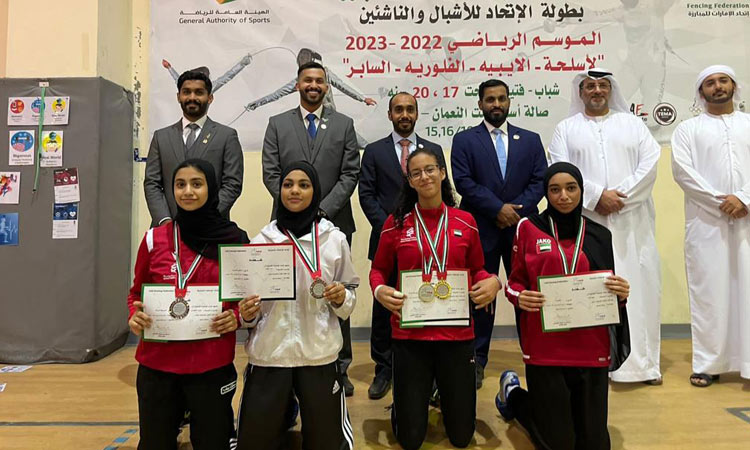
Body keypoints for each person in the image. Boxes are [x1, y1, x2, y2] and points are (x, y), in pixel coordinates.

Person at [369, 146, 501, 449]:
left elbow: (478, 269)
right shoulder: (396, 224)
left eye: (430, 169)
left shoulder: (465, 221)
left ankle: (439, 398)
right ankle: (407, 404)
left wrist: (493, 282)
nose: (424, 176)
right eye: (416, 173)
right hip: (410, 337)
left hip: (457, 336)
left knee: (461, 438)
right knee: (410, 440)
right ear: (410, 182)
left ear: (442, 173)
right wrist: (379, 290)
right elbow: (378, 270)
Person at [495, 162, 631, 450]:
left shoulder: (598, 234)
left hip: (590, 347)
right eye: (555, 190)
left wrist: (620, 293)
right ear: (546, 193)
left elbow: (607, 290)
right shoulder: (529, 228)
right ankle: (514, 395)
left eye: (571, 188)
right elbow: (513, 282)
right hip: (546, 348)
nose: (564, 196)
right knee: (559, 444)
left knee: (594, 445)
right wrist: (520, 297)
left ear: (581, 191)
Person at [548, 68, 662, 385]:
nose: (596, 91)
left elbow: (650, 163)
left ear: (610, 90)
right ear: (580, 92)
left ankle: (643, 365)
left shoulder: (633, 125)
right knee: (591, 288)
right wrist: (597, 197)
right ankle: (593, 361)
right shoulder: (565, 129)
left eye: (602, 86)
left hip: (632, 222)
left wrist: (620, 196)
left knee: (640, 288)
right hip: (587, 221)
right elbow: (559, 168)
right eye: (590, 86)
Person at [127, 159, 250, 450]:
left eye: (197, 184)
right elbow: (135, 295)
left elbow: (246, 303)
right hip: (158, 366)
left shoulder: (234, 241)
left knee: (212, 443)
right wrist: (135, 316)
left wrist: (237, 317)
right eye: (180, 185)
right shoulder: (154, 239)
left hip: (211, 365)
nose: (188, 192)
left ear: (212, 188)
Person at [236, 161, 358, 450]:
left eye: (304, 185)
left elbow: (350, 294)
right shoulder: (262, 241)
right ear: (279, 191)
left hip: (319, 353)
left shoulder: (334, 239)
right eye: (288, 184)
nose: (294, 191)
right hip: (270, 354)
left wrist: (343, 298)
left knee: (328, 445)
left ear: (315, 192)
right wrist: (247, 316)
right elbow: (249, 306)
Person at [261, 61, 360, 394]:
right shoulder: (277, 124)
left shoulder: (344, 124)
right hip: (287, 226)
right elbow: (271, 173)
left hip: (334, 223)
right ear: (297, 85)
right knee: (288, 298)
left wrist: (320, 210)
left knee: (336, 293)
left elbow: (350, 173)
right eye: (307, 80)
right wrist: (297, 203)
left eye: (319, 80)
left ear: (327, 86)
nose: (313, 85)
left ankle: (339, 367)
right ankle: (286, 362)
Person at [451, 79, 548, 388]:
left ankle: (535, 355)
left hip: (521, 230)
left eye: (501, 99)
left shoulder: (530, 140)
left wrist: (515, 212)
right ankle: (476, 360)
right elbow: (464, 183)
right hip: (481, 229)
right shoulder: (465, 140)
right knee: (481, 297)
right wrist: (497, 209)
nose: (496, 104)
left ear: (509, 102)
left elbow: (539, 180)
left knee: (526, 294)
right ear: (480, 104)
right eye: (490, 99)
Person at [359, 92, 444, 399]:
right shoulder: (374, 151)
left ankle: (429, 367)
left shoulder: (432, 150)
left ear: (417, 113)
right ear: (390, 114)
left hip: (429, 243)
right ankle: (384, 368)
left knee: (427, 301)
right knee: (385, 306)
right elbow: (366, 194)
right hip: (386, 239)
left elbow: (442, 192)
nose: (404, 114)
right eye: (398, 109)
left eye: (409, 109)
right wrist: (392, 228)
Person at [671, 65, 750, 387]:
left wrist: (744, 198)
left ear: (734, 85)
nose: (717, 87)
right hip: (707, 222)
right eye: (710, 83)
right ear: (700, 92)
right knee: (710, 293)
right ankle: (708, 363)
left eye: (723, 81)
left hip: (748, 218)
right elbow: (684, 173)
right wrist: (723, 202)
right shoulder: (687, 130)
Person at [145, 70, 244, 227]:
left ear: (210, 97)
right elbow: (152, 183)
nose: (192, 97)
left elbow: (232, 184)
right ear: (178, 97)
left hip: (212, 228)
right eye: (186, 92)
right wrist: (164, 220)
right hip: (168, 229)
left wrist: (208, 216)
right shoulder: (161, 137)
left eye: (199, 92)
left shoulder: (226, 136)